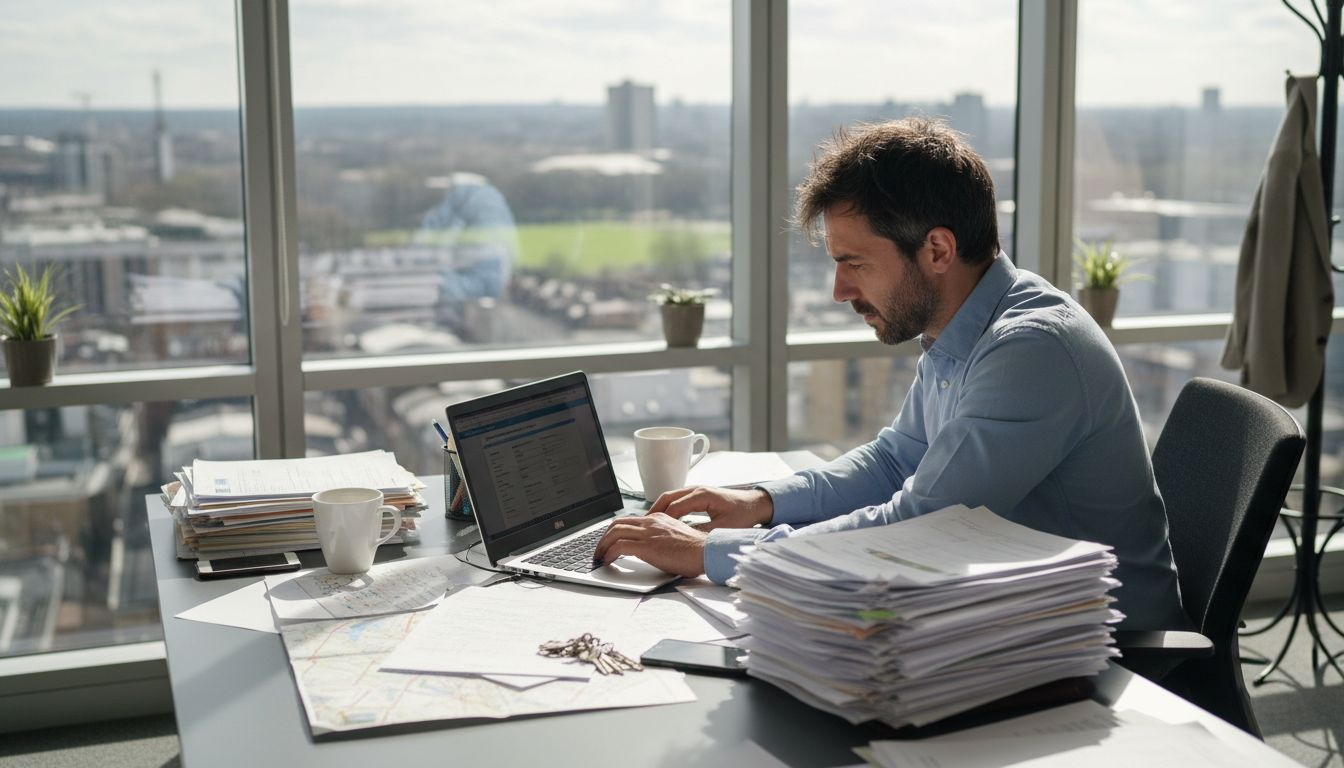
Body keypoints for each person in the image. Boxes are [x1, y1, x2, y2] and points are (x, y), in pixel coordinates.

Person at [593, 117, 1187, 630]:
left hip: (1098, 649)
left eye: (854, 262)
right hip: (1004, 611)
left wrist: (711, 553)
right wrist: (759, 502)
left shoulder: (1031, 349)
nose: (838, 290)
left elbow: (917, 529)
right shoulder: (964, 328)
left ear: (936, 251)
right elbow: (895, 462)